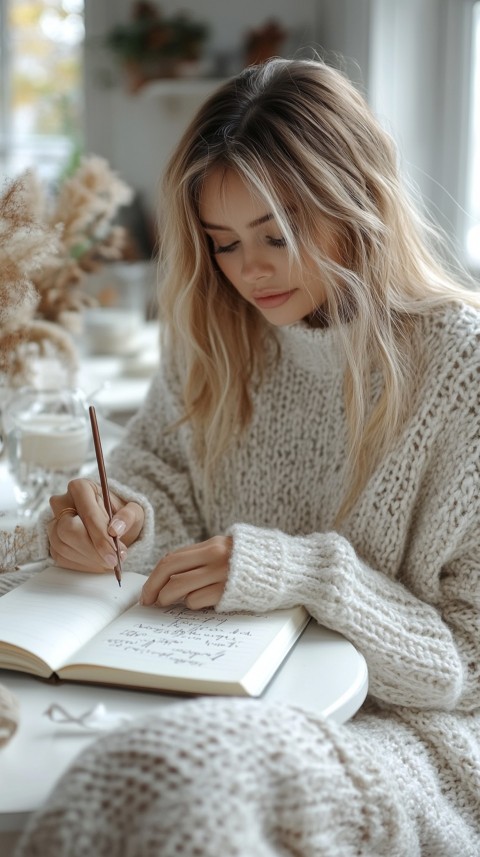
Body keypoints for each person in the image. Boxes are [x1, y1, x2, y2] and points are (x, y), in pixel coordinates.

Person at [9, 57, 480, 856]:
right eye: (222, 242)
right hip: (207, 685)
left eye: (278, 233)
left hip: (406, 736)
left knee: (172, 781)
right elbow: (161, 479)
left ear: (357, 202)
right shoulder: (216, 337)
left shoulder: (458, 371)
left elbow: (463, 667)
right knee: (102, 778)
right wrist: (119, 516)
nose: (249, 269)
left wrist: (306, 573)